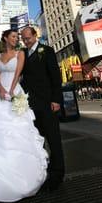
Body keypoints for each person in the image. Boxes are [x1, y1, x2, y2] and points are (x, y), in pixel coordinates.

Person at [0, 29, 48, 202]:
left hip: (15, 92)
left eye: (18, 37)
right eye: (13, 36)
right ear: (5, 38)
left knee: (19, 131)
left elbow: (18, 74)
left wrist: (11, 90)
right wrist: (0, 88)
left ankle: (22, 179)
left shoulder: (20, 53)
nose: (16, 39)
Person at [21, 26, 65, 191]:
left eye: (28, 38)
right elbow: (25, 79)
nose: (26, 41)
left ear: (35, 35)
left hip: (48, 103)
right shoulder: (24, 54)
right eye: (23, 39)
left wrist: (56, 99)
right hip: (32, 106)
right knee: (38, 141)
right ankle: (43, 171)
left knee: (54, 139)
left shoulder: (46, 50)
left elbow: (55, 75)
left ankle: (58, 174)